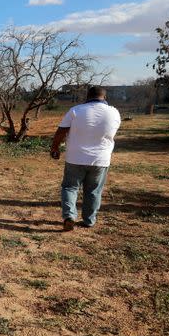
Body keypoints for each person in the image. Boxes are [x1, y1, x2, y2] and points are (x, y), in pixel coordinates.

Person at [50, 86, 121, 231]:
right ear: (104, 98)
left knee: (70, 188)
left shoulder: (76, 110)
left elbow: (61, 131)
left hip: (75, 158)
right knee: (93, 191)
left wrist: (55, 147)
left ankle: (69, 216)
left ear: (87, 97)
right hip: (100, 160)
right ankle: (89, 220)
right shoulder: (114, 112)